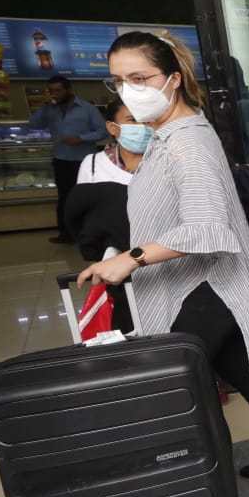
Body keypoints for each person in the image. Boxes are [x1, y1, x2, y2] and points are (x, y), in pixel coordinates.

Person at [76, 30, 249, 480]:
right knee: (242, 370)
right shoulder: (167, 137)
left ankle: (206, 485)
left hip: (205, 285)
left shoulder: (187, 142)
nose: (128, 90)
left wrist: (132, 258)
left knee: (181, 387)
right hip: (206, 283)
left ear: (172, 80)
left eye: (139, 77)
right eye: (117, 81)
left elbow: (207, 226)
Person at [64, 100, 145, 333]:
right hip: (113, 266)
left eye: (146, 120)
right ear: (112, 128)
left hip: (156, 258)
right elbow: (84, 218)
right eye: (132, 120)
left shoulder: (165, 161)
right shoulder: (92, 165)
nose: (142, 126)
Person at [27, 75, 105, 243]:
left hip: (84, 161)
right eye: (51, 91)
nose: (54, 94)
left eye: (58, 90)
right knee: (64, 198)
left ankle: (90, 233)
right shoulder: (49, 109)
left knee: (86, 197)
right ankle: (66, 234)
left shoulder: (87, 108)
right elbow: (33, 124)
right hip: (61, 160)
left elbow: (102, 131)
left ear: (69, 90)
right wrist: (45, 106)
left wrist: (81, 138)